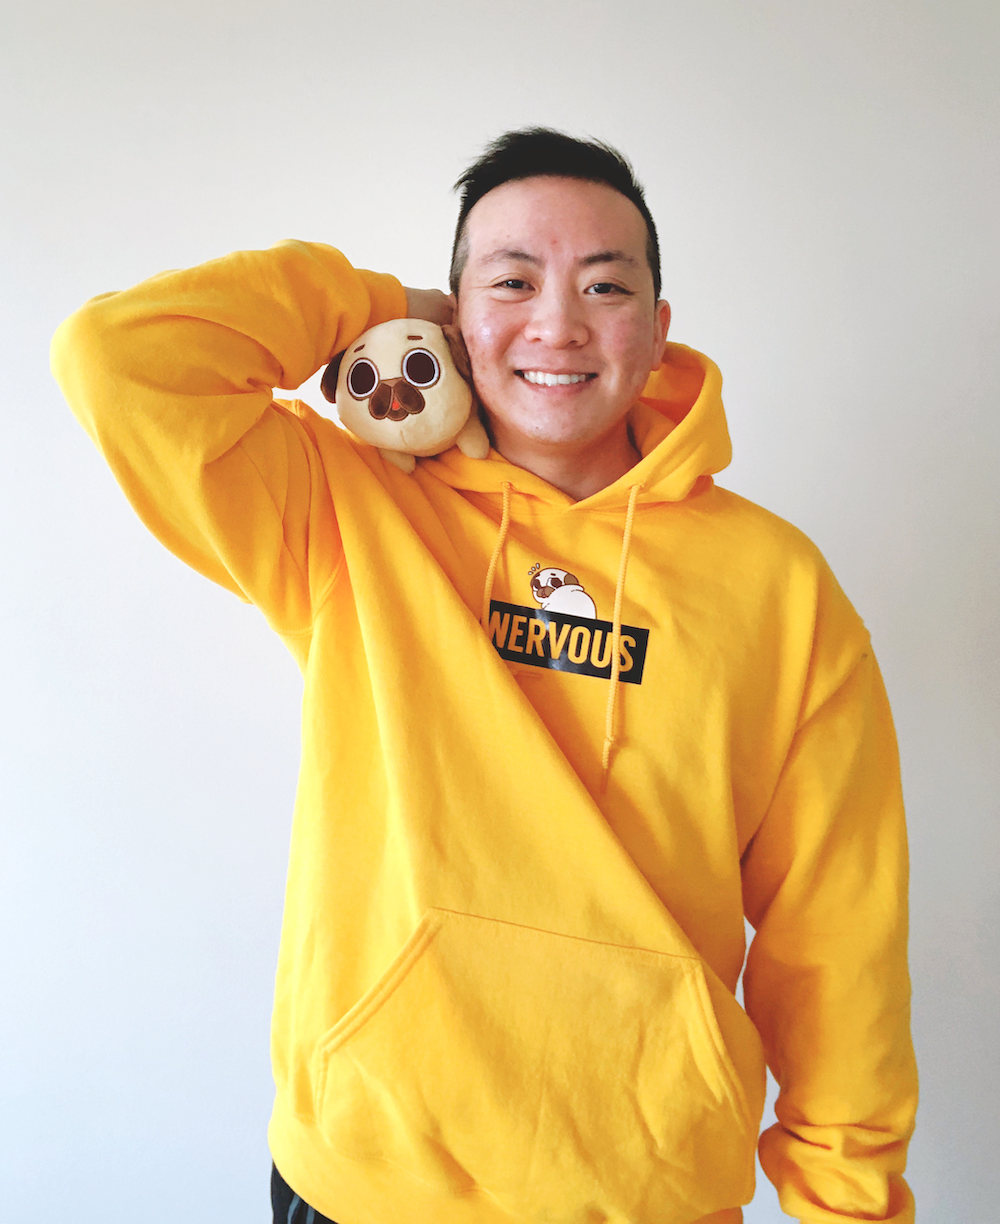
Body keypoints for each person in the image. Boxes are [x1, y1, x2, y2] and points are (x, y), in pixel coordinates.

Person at [51, 128, 917, 1224]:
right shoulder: (350, 511)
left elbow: (837, 939)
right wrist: (373, 301)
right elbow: (114, 357)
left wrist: (846, 1203)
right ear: (455, 318)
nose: (556, 324)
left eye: (604, 286)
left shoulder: (779, 588)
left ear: (657, 332)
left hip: (642, 1197)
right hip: (365, 1183)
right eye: (512, 282)